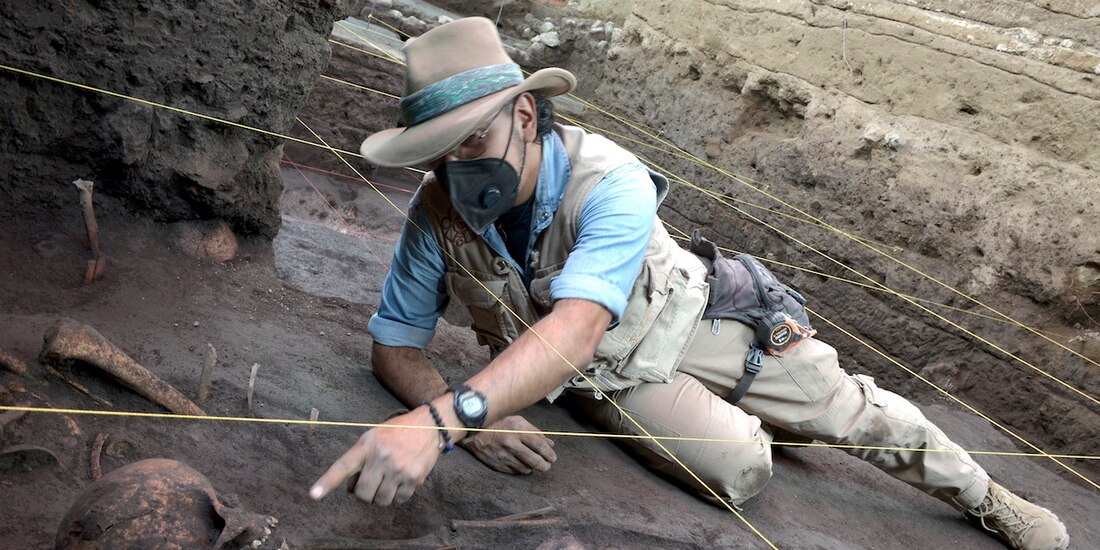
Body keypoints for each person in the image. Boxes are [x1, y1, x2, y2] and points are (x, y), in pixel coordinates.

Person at [309, 17, 1069, 550]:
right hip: (602, 374)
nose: (458, 167)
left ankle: (988, 499)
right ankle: (695, 416)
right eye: (439, 152)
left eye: (473, 138)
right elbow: (394, 343)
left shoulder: (611, 182)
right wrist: (479, 418)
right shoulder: (435, 213)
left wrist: (445, 421)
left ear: (527, 115)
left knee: (849, 411)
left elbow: (575, 324)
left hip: (699, 321)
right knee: (742, 469)